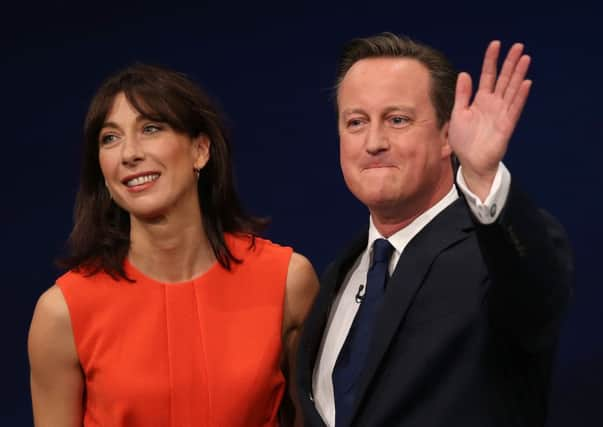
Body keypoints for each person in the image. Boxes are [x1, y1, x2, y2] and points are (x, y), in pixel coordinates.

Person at [296, 33, 573, 426]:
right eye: (356, 122)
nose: (374, 142)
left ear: (447, 135)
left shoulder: (491, 252)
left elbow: (537, 294)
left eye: (397, 120)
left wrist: (482, 176)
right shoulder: (343, 273)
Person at [28, 63, 318, 427]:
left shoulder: (288, 281)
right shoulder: (62, 313)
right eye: (110, 138)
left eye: (150, 129)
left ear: (200, 150)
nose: (129, 153)